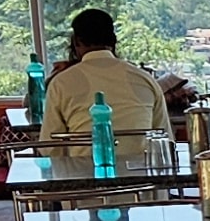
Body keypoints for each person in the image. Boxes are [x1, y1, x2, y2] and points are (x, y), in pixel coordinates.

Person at [43, 8, 169, 136]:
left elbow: (50, 143)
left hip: (87, 150)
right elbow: (165, 137)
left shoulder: (61, 83)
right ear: (113, 40)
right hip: (142, 150)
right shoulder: (145, 79)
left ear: (76, 42)